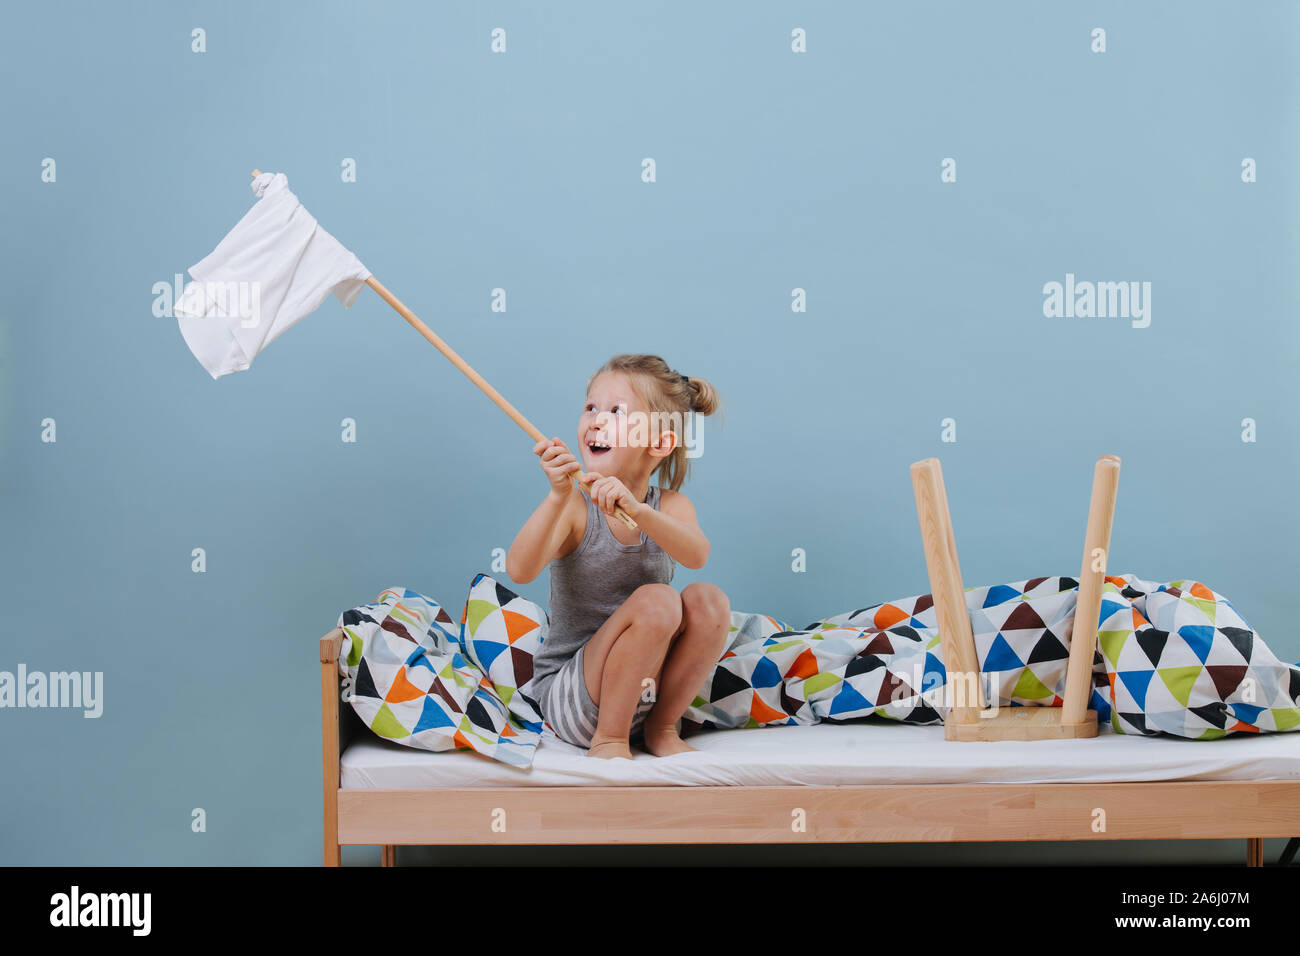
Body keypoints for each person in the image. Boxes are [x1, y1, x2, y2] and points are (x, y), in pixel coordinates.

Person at [506, 354, 730, 759]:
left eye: (615, 411)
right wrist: (557, 496)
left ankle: (662, 728)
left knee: (709, 601)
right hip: (574, 696)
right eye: (590, 407)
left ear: (660, 442)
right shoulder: (575, 508)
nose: (595, 420)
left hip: (644, 696)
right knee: (658, 600)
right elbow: (519, 571)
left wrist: (641, 512)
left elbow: (697, 555)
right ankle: (608, 740)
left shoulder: (671, 506)